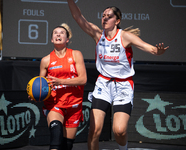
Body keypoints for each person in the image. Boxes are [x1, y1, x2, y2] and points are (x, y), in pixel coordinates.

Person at [67, 1, 169, 150]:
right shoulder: (97, 34)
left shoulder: (125, 36)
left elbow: (150, 49)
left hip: (123, 85)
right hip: (103, 84)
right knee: (94, 131)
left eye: (109, 16)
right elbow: (78, 17)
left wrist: (157, 51)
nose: (105, 19)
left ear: (117, 21)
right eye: (103, 16)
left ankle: (124, 148)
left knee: (119, 131)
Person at [39, 23, 87, 150]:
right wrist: (35, 94)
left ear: (67, 40)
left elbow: (83, 79)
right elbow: (40, 85)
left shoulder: (76, 54)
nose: (58, 34)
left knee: (66, 146)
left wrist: (60, 82)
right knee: (56, 136)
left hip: (74, 105)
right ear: (51, 39)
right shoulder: (46, 60)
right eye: (55, 33)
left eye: (61, 33)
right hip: (54, 104)